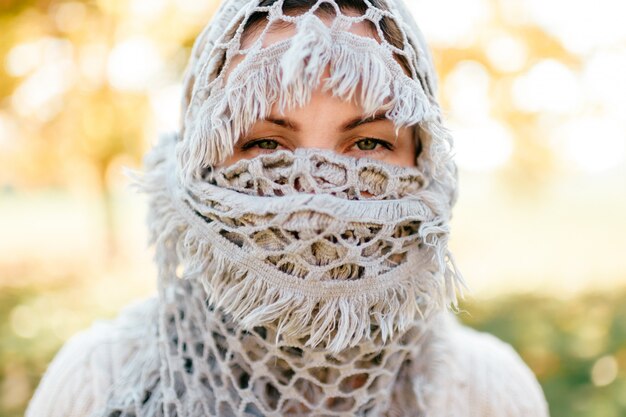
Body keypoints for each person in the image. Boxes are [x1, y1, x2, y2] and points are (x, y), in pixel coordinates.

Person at [26, 0, 550, 416]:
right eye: (264, 146)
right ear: (198, 165)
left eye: (367, 145)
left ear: (425, 162)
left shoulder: (489, 395)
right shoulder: (98, 384)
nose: (316, 193)